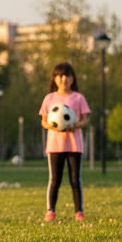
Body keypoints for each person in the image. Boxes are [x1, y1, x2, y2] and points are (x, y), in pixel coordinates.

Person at [39, 62, 91, 222]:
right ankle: (51, 210)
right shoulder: (49, 98)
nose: (64, 79)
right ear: (55, 78)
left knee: (75, 179)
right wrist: (54, 126)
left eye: (67, 75)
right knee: (55, 179)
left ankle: (79, 211)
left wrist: (74, 125)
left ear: (72, 78)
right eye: (60, 75)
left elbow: (85, 119)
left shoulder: (78, 97)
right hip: (55, 145)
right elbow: (44, 121)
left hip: (74, 144)